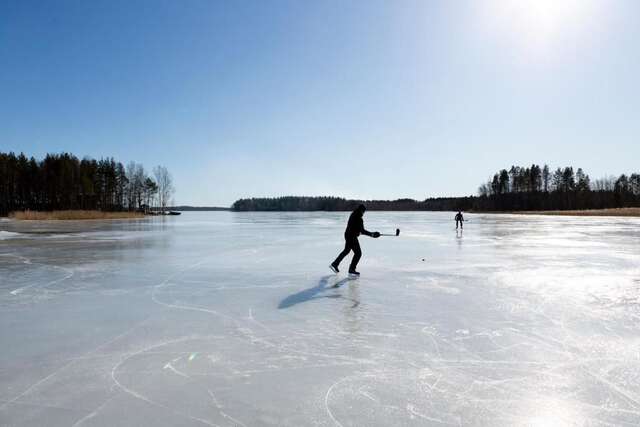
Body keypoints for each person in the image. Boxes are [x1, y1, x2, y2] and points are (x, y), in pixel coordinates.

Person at [330, 204, 380, 276]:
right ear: (362, 211)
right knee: (358, 253)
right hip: (352, 237)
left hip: (347, 235)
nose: (363, 213)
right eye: (364, 212)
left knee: (346, 251)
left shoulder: (353, 215)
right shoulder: (359, 218)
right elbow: (362, 231)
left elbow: (357, 229)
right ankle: (351, 269)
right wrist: (372, 234)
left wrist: (365, 233)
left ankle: (335, 264)